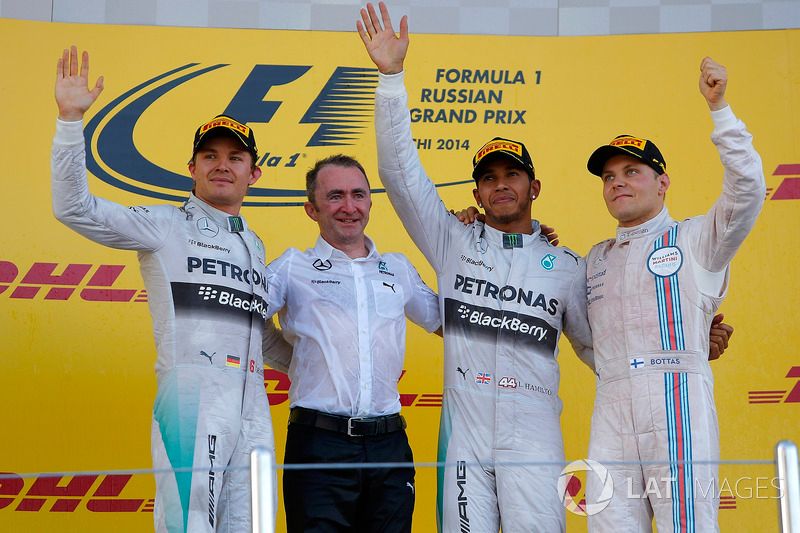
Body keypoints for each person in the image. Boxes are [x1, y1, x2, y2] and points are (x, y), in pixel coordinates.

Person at [358, 4, 595, 532]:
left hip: (534, 431)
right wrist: (391, 79)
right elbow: (400, 175)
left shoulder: (566, 266)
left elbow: (598, 346)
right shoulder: (452, 240)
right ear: (477, 192)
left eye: (513, 174)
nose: (501, 184)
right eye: (489, 178)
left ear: (534, 188)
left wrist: (682, 347)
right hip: (464, 431)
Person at [52, 46, 284, 533]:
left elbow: (258, 336)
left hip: (255, 410)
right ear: (191, 168)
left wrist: (334, 367)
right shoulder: (164, 225)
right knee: (189, 524)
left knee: (257, 525)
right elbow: (75, 208)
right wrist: (71, 123)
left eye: (235, 157)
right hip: (192, 400)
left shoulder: (256, 245)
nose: (222, 165)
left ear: (253, 173)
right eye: (209, 156)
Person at [583, 58, 765, 532]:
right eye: (608, 176)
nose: (618, 181)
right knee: (607, 525)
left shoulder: (696, 239)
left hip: (677, 400)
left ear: (663, 183)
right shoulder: (595, 259)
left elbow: (747, 192)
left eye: (632, 171)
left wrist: (719, 109)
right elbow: (584, 335)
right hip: (611, 408)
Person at [261, 154, 441, 532]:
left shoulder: (398, 268)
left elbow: (450, 324)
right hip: (318, 445)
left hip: (389, 445)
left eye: (358, 195)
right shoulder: (292, 266)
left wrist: (486, 238)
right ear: (312, 209)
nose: (349, 207)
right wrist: (298, 362)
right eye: (335, 196)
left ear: (370, 203)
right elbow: (242, 321)